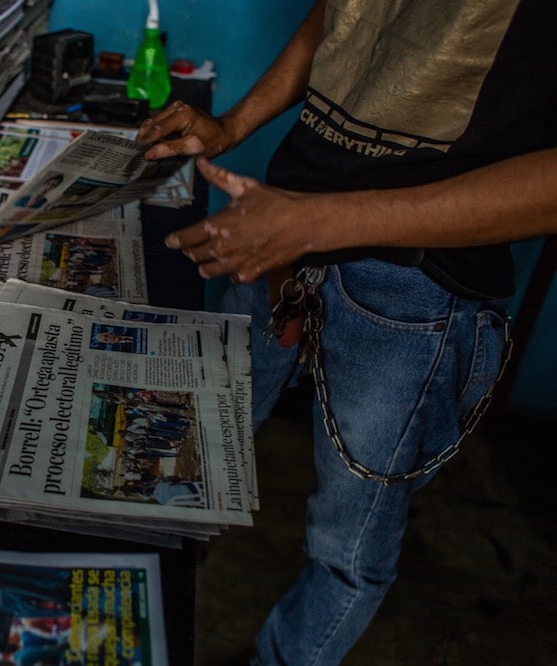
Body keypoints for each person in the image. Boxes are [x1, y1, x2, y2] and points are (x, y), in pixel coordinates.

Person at [136, 1, 556, 663]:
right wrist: (231, 127)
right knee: (180, 453)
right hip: (279, 227)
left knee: (346, 544)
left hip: (410, 284)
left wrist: (321, 225)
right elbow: (341, 17)